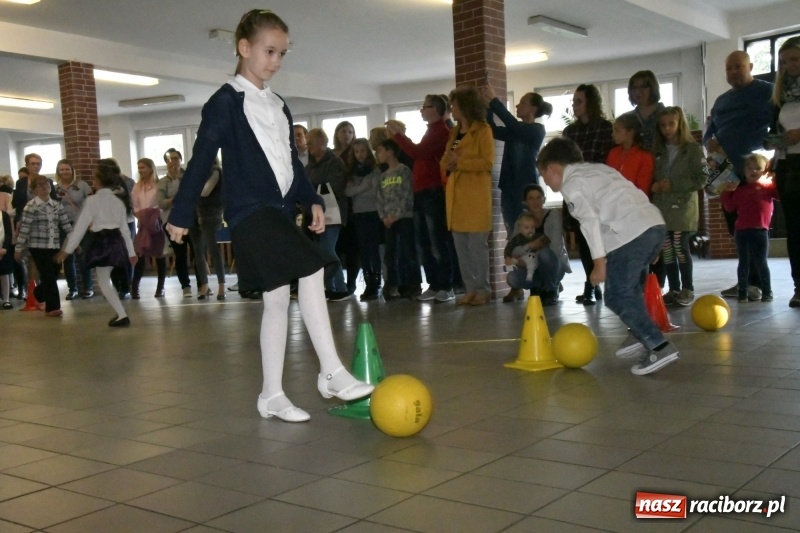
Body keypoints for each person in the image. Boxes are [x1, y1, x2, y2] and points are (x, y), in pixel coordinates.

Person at [166, 9, 373, 422]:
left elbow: (290, 165)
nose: (276, 61)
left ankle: (271, 396)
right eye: (269, 51)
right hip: (249, 214)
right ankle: (331, 371)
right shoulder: (224, 102)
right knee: (312, 269)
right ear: (244, 48)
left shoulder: (278, 104)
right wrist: (181, 211)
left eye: (282, 53)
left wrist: (310, 197)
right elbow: (201, 159)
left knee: (278, 300)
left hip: (278, 212)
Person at [538, 138, 677, 376]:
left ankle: (658, 345)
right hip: (653, 224)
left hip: (631, 235)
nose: (547, 183)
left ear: (553, 169)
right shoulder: (599, 169)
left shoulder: (572, 185)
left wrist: (599, 265)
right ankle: (638, 332)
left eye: (544, 176)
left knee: (616, 294)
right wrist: (650, 245)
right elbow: (630, 192)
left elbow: (589, 224)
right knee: (631, 290)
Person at [704, 50, 774, 300]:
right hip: (725, 175)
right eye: (728, 69)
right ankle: (745, 280)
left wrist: (768, 149)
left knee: (754, 230)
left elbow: (778, 125)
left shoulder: (767, 91)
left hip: (752, 173)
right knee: (737, 230)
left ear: (751, 66)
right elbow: (709, 131)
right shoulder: (721, 101)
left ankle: (756, 283)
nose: (733, 72)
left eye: (738, 67)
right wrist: (709, 142)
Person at [386, 94, 454, 303]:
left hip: (433, 191)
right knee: (424, 241)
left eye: (425, 107)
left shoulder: (442, 131)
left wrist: (398, 136)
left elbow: (419, 152)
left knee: (437, 240)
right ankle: (433, 284)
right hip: (422, 191)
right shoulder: (431, 131)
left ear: (436, 109)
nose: (421, 110)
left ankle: (446, 285)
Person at [56, 159, 137, 327]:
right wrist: (131, 252)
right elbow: (125, 230)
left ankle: (122, 315)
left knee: (103, 281)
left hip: (102, 243)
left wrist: (67, 250)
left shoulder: (92, 201)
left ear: (98, 181)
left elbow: (80, 227)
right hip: (116, 242)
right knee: (106, 280)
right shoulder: (119, 201)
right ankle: (120, 312)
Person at [441, 85, 495, 306]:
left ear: (464, 106)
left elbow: (487, 162)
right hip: (457, 196)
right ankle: (470, 288)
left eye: (454, 105)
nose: (451, 109)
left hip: (476, 196)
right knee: (461, 247)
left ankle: (483, 288)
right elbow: (446, 159)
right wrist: (450, 163)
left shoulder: (483, 130)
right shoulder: (454, 133)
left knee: (476, 247)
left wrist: (460, 162)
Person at [651, 106, 708, 307]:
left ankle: (687, 288)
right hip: (662, 208)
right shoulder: (657, 151)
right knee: (666, 249)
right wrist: (654, 185)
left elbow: (702, 178)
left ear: (680, 124)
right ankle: (673, 288)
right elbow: (651, 175)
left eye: (671, 124)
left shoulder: (692, 149)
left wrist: (675, 185)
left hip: (683, 208)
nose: (667, 129)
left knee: (679, 246)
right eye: (663, 125)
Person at [563, 84, 614, 305]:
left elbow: (606, 160)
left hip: (598, 191)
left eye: (578, 101)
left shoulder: (605, 128)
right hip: (576, 191)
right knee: (583, 240)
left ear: (590, 103)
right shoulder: (570, 132)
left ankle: (603, 282)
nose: (574, 105)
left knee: (601, 239)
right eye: (573, 101)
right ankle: (589, 284)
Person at [480, 84, 551, 235]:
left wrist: (494, 101)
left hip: (526, 191)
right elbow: (492, 130)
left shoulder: (536, 130)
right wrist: (489, 108)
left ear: (533, 109)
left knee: (527, 233)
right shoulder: (516, 129)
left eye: (523, 103)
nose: (518, 105)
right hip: (508, 189)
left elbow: (515, 127)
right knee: (512, 233)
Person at [720, 153, 777, 303]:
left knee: (761, 262)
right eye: (750, 168)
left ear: (765, 170)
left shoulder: (768, 188)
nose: (753, 171)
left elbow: (779, 194)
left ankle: (767, 291)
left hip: (760, 231)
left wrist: (775, 177)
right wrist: (726, 191)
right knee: (743, 262)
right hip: (742, 232)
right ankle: (742, 292)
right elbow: (729, 207)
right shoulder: (739, 190)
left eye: (758, 168)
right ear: (744, 171)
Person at [769, 36, 800, 308]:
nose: (789, 66)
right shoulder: (779, 97)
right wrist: (776, 142)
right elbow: (771, 135)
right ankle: (799, 286)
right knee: (795, 230)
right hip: (788, 167)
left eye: (794, 59)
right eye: (783, 62)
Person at [15, 175, 73, 316]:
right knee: (47, 275)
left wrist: (74, 242)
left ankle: (38, 293)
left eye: (46, 183)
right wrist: (18, 249)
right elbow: (25, 229)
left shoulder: (57, 206)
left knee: (54, 273)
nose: (44, 186)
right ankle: (52, 308)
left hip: (54, 245)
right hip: (38, 246)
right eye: (39, 185)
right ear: (34, 190)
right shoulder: (31, 206)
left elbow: (66, 225)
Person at [504, 184, 570, 306]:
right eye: (531, 198)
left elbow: (556, 248)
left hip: (554, 265)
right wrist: (529, 247)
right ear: (525, 202)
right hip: (531, 266)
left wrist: (534, 252)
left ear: (544, 200)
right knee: (512, 278)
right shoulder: (521, 220)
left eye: (538, 197)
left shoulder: (553, 216)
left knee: (544, 253)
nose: (535, 202)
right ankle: (539, 286)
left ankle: (551, 289)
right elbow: (513, 249)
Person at [304, 127, 350, 301]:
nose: (308, 146)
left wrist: (312, 192)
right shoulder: (309, 167)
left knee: (327, 249)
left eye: (311, 143)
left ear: (323, 143)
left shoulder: (335, 163)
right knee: (322, 249)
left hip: (332, 214)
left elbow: (336, 186)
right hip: (313, 215)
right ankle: (330, 287)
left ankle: (340, 287)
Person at [376, 138, 420, 300]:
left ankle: (413, 284)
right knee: (391, 254)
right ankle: (393, 285)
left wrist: (398, 214)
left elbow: (407, 194)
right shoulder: (383, 176)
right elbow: (379, 198)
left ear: (390, 152)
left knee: (408, 251)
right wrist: (384, 217)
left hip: (404, 217)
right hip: (388, 221)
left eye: (380, 151)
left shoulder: (403, 171)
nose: (378, 154)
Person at [344, 138, 382, 301]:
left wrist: (357, 189)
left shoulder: (375, 170)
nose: (359, 155)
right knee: (364, 251)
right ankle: (368, 283)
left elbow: (374, 191)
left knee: (373, 251)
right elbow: (347, 192)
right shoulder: (351, 172)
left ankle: (376, 283)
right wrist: (362, 188)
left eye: (362, 151)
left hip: (373, 213)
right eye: (356, 151)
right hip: (358, 214)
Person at [54, 159, 93, 301]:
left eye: (67, 169)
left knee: (83, 257)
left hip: (80, 225)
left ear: (72, 170)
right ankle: (72, 289)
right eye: (62, 169)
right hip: (63, 225)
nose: (65, 172)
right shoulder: (55, 188)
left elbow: (91, 203)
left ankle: (88, 288)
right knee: (67, 258)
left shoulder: (82, 186)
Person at [188, 159, 226, 300]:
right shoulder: (195, 168)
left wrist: (191, 187)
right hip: (195, 212)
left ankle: (221, 285)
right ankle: (204, 285)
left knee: (213, 250)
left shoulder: (215, 170)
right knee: (197, 251)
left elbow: (205, 190)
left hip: (210, 213)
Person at [158, 147, 192, 297]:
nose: (173, 162)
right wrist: (176, 199)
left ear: (180, 160)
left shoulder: (188, 176)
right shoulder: (162, 182)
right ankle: (185, 286)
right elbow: (161, 203)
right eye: (170, 159)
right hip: (171, 221)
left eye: (176, 158)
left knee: (197, 252)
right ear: (166, 163)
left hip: (191, 219)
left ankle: (203, 285)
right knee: (180, 254)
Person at [131, 158, 167, 298]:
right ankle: (135, 287)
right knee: (140, 252)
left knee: (159, 254)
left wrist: (153, 215)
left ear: (151, 169)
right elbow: (135, 205)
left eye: (143, 167)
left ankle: (160, 287)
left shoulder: (158, 185)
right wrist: (141, 215)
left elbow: (161, 203)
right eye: (139, 168)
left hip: (157, 221)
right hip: (143, 222)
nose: (141, 170)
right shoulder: (137, 186)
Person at [332, 120, 360, 295]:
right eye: (343, 131)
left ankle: (351, 282)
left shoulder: (355, 153)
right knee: (337, 245)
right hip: (334, 204)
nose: (347, 135)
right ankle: (337, 282)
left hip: (352, 204)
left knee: (352, 246)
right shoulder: (332, 154)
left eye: (350, 132)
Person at [606, 113, 654, 196]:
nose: (612, 134)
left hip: (634, 203)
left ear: (630, 132)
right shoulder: (613, 152)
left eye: (617, 130)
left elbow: (642, 189)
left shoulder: (645, 157)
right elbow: (607, 180)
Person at [620, 70, 665, 151]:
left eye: (643, 87)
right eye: (634, 87)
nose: (638, 91)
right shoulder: (626, 118)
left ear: (653, 88)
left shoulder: (667, 115)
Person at [0, 208, 12, 309]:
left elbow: (8, 233)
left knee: (4, 274)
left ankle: (6, 299)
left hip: (3, 249)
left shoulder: (4, 215)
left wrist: (5, 247)